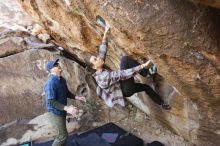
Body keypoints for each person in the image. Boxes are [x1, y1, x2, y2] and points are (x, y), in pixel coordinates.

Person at [89, 25, 171, 110]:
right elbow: (123, 74)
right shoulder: (103, 77)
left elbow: (102, 52)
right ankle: (147, 72)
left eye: (96, 57)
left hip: (123, 88)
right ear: (94, 67)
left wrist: (105, 33)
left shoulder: (99, 67)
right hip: (125, 89)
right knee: (125, 60)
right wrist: (142, 66)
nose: (98, 58)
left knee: (146, 87)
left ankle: (162, 104)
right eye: (95, 59)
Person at [44, 59, 86, 146]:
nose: (58, 65)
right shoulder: (50, 83)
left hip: (61, 111)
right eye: (55, 65)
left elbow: (66, 92)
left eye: (57, 63)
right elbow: (51, 101)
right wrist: (67, 108)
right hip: (54, 113)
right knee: (62, 136)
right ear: (51, 70)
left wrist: (77, 97)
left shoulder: (62, 79)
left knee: (63, 134)